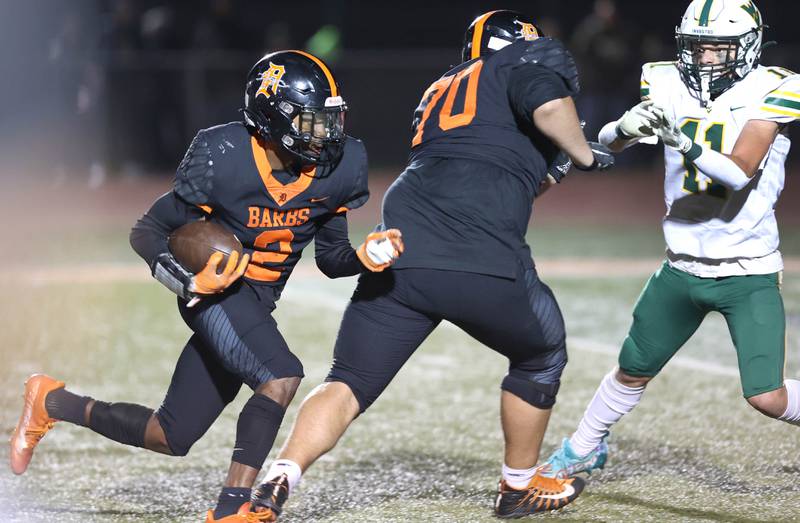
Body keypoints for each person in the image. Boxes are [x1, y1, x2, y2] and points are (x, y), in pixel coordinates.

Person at [248, 10, 615, 520]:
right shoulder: (515, 67)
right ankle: (518, 487)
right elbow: (550, 105)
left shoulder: (444, 87)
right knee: (542, 352)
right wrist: (583, 155)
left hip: (403, 244)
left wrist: (551, 165)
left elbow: (496, 171)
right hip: (475, 251)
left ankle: (279, 476)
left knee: (348, 380)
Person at [9, 50, 403, 522]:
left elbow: (333, 259)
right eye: (311, 122)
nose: (326, 134)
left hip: (255, 305)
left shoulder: (340, 167)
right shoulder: (224, 154)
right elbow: (147, 230)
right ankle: (231, 510)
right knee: (280, 375)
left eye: (329, 120)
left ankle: (51, 400)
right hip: (212, 295)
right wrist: (185, 279)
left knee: (169, 435)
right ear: (272, 118)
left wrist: (365, 256)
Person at [545, 0, 800, 479]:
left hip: (746, 269)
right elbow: (609, 139)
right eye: (697, 46)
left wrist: (681, 139)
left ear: (747, 47)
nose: (704, 57)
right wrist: (623, 129)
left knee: (768, 396)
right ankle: (583, 447)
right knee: (632, 368)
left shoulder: (777, 87)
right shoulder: (663, 78)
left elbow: (739, 171)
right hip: (680, 265)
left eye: (718, 49)